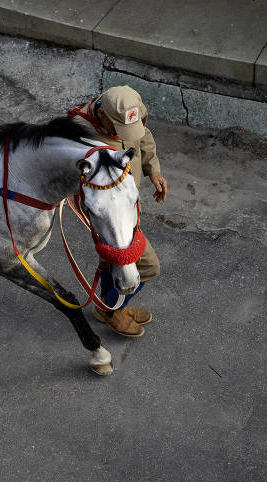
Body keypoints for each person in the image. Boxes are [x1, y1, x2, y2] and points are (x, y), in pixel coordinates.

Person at [67, 86, 168, 338]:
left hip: (128, 207)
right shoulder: (78, 130)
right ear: (101, 114)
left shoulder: (130, 111)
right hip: (108, 216)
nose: (124, 135)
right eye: (118, 130)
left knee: (114, 264)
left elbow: (143, 137)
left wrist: (152, 169)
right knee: (148, 266)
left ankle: (108, 305)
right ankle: (112, 310)